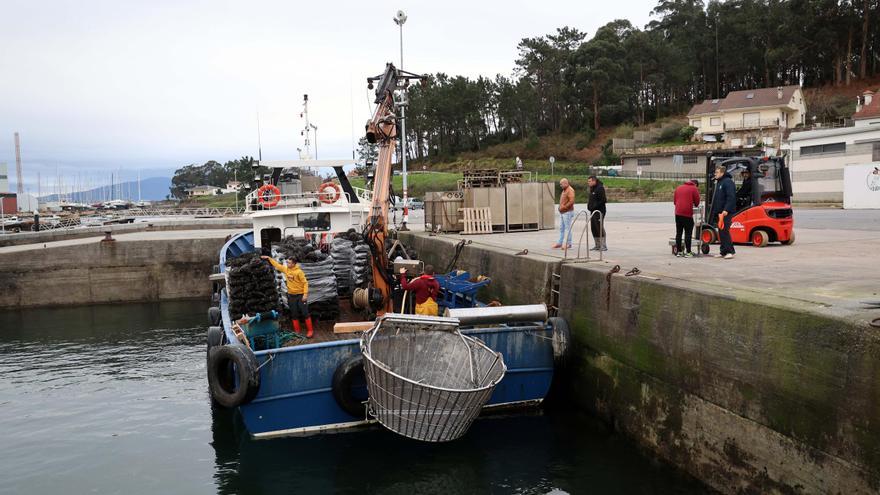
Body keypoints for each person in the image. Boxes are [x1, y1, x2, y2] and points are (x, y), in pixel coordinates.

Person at [261, 255, 313, 338]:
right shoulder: (286, 269)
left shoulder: (299, 272)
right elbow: (277, 265)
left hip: (300, 295)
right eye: (287, 262)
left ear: (293, 264)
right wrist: (269, 258)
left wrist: (305, 294)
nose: (287, 264)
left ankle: (310, 331)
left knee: (305, 313)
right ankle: (297, 331)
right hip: (291, 296)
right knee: (294, 314)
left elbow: (305, 283)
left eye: (289, 263)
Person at [710, 165, 737, 259]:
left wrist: (726, 209)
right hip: (719, 212)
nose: (715, 174)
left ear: (722, 173)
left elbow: (731, 197)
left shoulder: (728, 182)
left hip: (726, 212)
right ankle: (723, 251)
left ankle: (730, 251)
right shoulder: (720, 182)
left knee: (725, 231)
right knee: (721, 232)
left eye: (717, 172)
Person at [673, 179, 701, 257]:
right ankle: (688, 252)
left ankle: (679, 252)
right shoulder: (694, 188)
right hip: (687, 214)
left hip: (678, 213)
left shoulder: (678, 187)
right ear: (696, 184)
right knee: (688, 233)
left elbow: (675, 202)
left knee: (679, 232)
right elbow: (697, 202)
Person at [552, 178, 575, 249]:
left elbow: (571, 201)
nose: (560, 185)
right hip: (563, 212)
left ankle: (569, 243)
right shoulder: (564, 190)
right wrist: (560, 208)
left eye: (561, 184)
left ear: (565, 183)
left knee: (567, 228)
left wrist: (564, 207)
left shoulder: (570, 190)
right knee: (561, 228)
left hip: (567, 212)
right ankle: (560, 242)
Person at [587, 176, 607, 251]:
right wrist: (589, 207)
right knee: (593, 228)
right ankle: (597, 245)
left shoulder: (600, 188)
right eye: (588, 181)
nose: (588, 183)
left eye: (589, 181)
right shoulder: (592, 188)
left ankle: (603, 245)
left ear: (594, 181)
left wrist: (594, 206)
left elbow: (603, 200)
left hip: (599, 211)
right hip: (593, 211)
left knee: (599, 227)